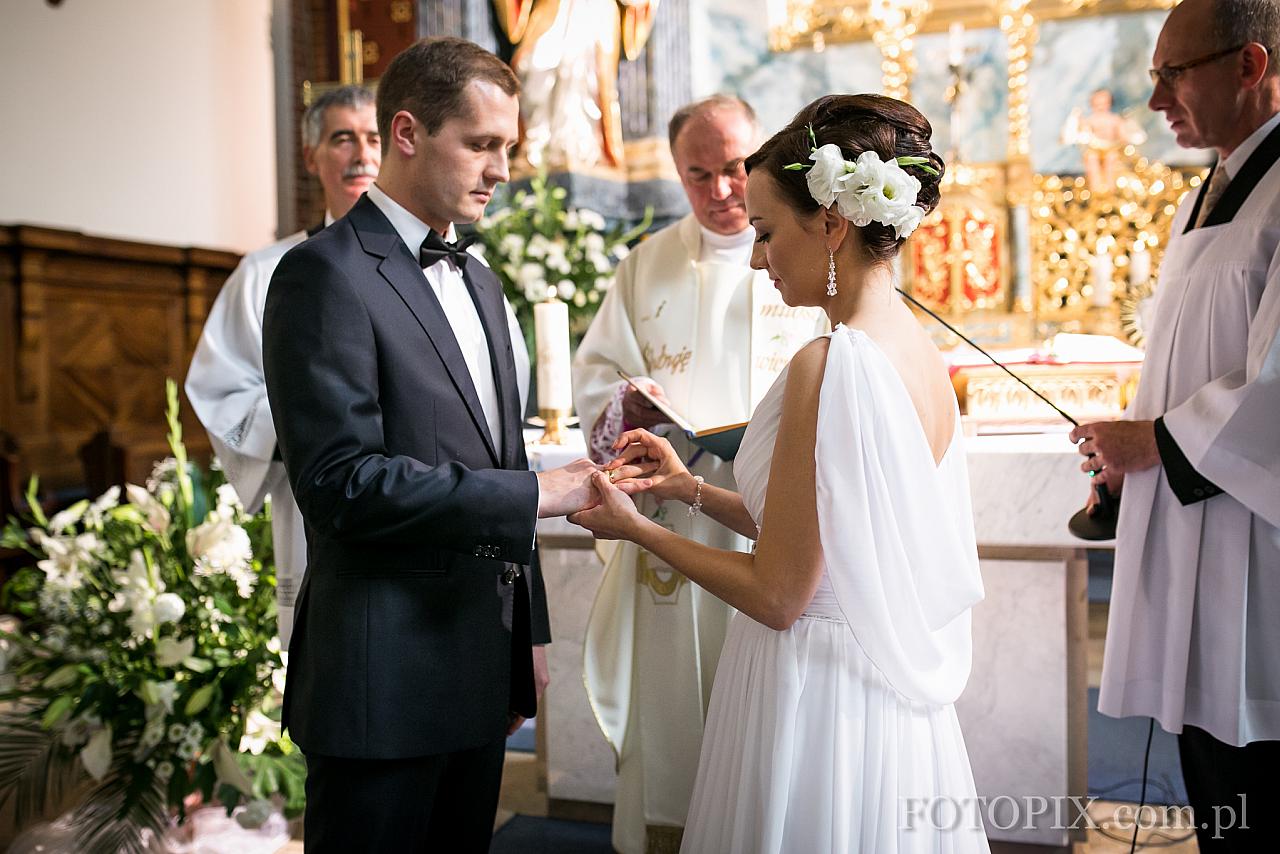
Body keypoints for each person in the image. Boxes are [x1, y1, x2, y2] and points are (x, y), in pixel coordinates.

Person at [571, 94, 989, 853]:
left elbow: (779, 595)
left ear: (832, 221)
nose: (757, 257)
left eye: (765, 232)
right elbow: (837, 530)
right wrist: (689, 489)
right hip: (879, 692)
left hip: (813, 692)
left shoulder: (825, 365)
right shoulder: (915, 349)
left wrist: (635, 528)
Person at [261, 37, 599, 852]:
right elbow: (343, 485)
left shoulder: (482, 281)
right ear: (407, 134)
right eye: (482, 145)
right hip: (383, 677)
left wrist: (531, 632)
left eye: (509, 148)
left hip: (480, 664)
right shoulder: (323, 276)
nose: (502, 170)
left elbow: (504, 459)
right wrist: (539, 497)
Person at [572, 94, 826, 853]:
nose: (721, 191)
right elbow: (595, 381)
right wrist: (629, 404)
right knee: (681, 708)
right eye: (699, 174)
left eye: (735, 169)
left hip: (779, 519)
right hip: (675, 522)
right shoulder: (644, 264)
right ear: (677, 173)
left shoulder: (812, 252)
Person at [1070, 0, 1280, 848]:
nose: (1155, 100)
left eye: (1173, 73)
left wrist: (1155, 441)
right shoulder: (1217, 185)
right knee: (1210, 774)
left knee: (1254, 769)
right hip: (1202, 525)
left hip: (1256, 551)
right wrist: (1133, 454)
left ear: (1250, 66)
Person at [185, 85, 380, 650]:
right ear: (311, 157)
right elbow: (220, 388)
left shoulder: (437, 265)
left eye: (372, 138)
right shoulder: (267, 273)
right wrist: (313, 418)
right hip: (316, 505)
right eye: (341, 139)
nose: (361, 155)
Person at [1060, 88, 1147, 190]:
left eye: (1104, 103)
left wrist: (1124, 140)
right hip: (1095, 148)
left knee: (1111, 160)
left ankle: (1110, 190)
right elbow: (1083, 132)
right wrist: (1079, 122)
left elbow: (1122, 134)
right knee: (1091, 159)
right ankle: (1096, 189)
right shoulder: (1091, 120)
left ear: (1109, 104)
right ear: (1091, 104)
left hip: (1112, 148)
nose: (1100, 107)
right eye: (1097, 104)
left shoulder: (1114, 119)